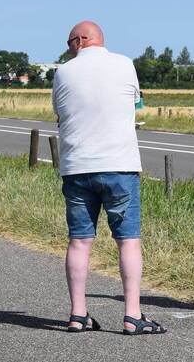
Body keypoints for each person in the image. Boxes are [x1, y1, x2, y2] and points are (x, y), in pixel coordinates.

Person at [51, 21, 166, 335]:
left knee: (79, 241)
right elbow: (132, 104)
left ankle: (78, 314)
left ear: (79, 41)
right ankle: (132, 315)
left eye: (69, 43)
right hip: (119, 165)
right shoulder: (125, 64)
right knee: (127, 241)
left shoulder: (63, 72)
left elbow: (61, 116)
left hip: (76, 167)